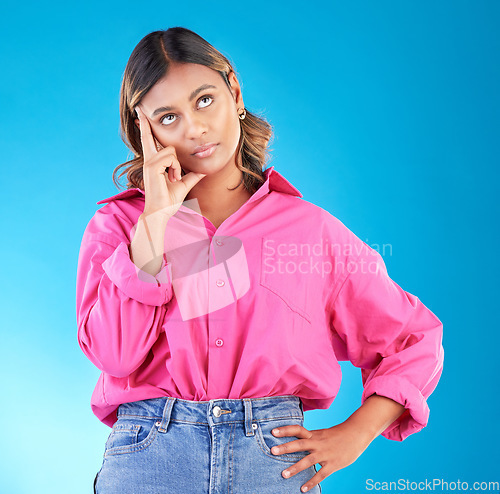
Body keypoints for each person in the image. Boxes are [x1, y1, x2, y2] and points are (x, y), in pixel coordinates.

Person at [76, 26, 444, 494]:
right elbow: (115, 355)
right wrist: (154, 226)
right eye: (168, 117)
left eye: (204, 100)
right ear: (143, 129)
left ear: (233, 90)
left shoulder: (310, 231)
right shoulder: (118, 227)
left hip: (272, 464)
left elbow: (414, 339)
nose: (194, 128)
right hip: (151, 460)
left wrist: (355, 435)